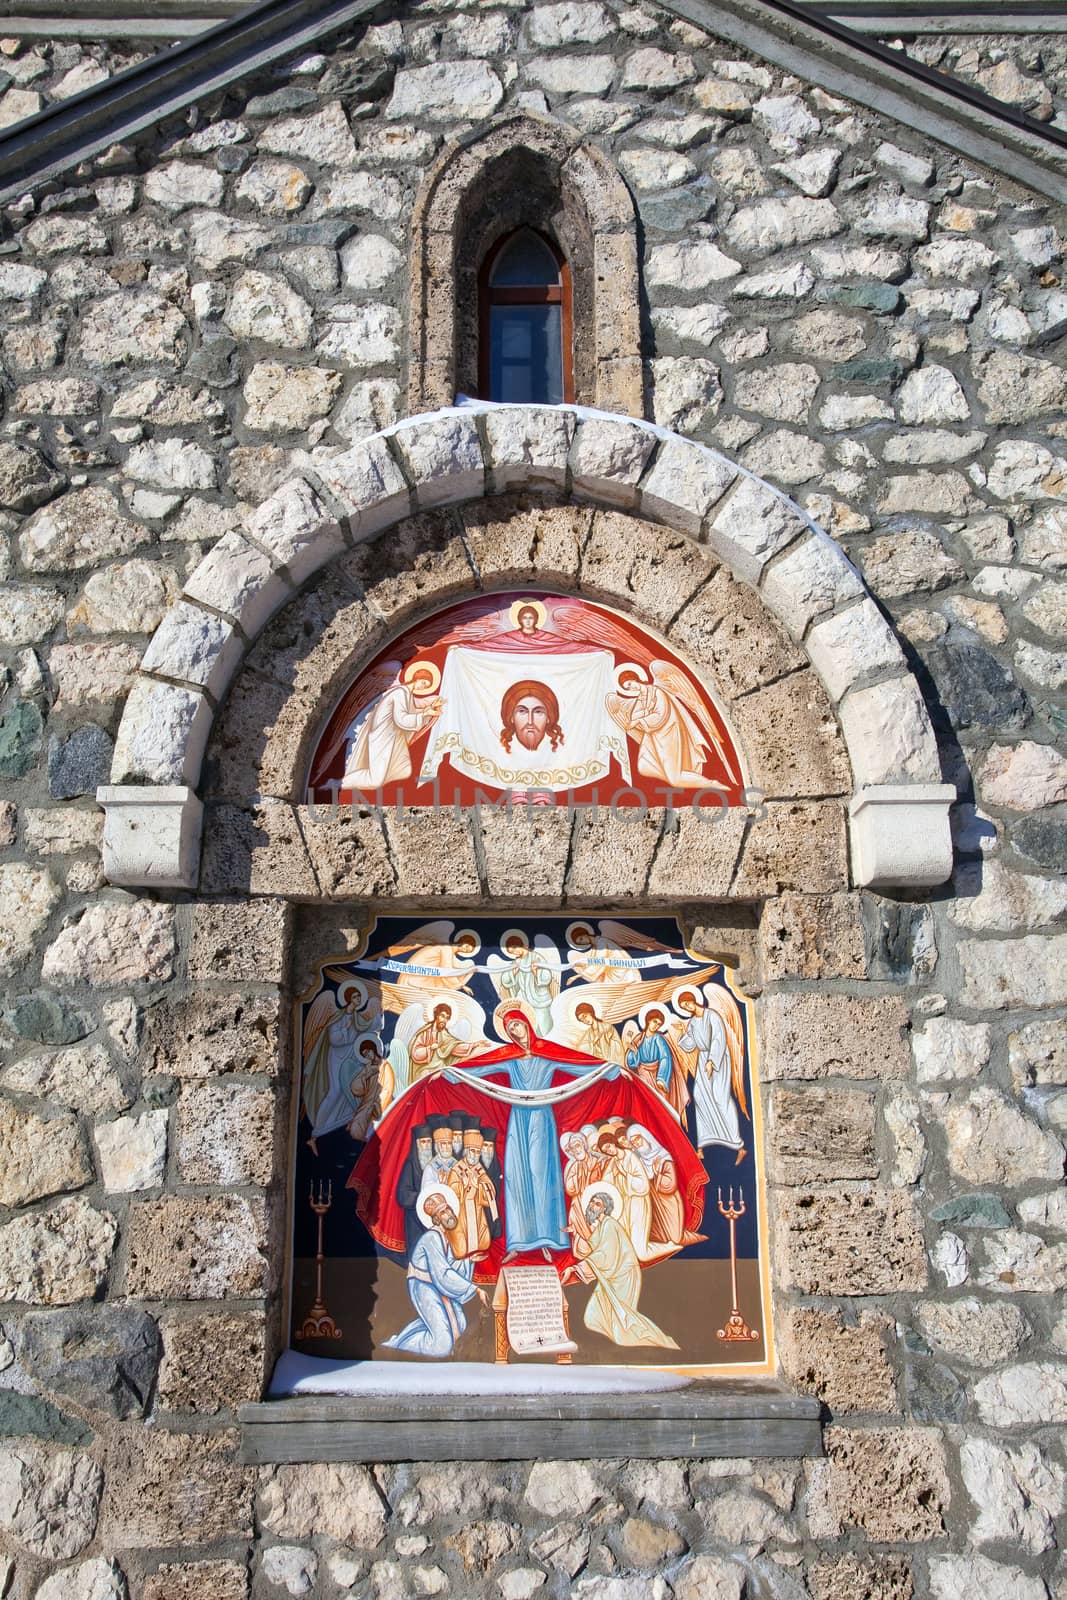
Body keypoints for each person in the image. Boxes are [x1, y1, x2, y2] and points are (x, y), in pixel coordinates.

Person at [444, 1009, 619, 1260]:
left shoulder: (547, 1054)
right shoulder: (510, 1057)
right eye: (510, 1028)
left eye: (517, 1024)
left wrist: (607, 1070)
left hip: (541, 1119)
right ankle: (518, 1242)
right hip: (518, 1119)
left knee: (540, 1175)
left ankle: (547, 1237)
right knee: (516, 1176)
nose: (515, 1030)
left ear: (527, 1024)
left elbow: (577, 1064)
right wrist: (453, 1074)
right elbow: (480, 1069)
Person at [569, 1187, 678, 1350]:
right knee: (595, 1315)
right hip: (614, 1275)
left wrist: (576, 1268)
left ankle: (655, 1339)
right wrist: (576, 1233)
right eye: (592, 1202)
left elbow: (605, 1256)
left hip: (624, 1276)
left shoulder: (610, 1225)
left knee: (623, 1319)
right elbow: (592, 1248)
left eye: (597, 1203)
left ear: (605, 1208)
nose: (592, 1205)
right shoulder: (601, 1227)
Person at [383, 1188, 488, 1357]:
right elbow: (443, 1273)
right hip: (423, 1285)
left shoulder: (444, 1237)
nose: (449, 1214)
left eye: (449, 1209)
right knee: (442, 1346)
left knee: (459, 1324)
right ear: (437, 1219)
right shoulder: (432, 1237)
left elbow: (448, 1265)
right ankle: (399, 1344)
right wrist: (474, 1289)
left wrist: (469, 1261)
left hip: (436, 1285)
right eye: (443, 1212)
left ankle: (400, 1338)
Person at [342, 663, 443, 792]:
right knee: (375, 781)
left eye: (426, 686)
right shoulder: (400, 693)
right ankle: (339, 784)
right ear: (416, 679)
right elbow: (402, 720)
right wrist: (425, 713)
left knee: (403, 771)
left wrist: (429, 710)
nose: (423, 687)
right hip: (383, 736)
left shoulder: (407, 696)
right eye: (423, 683)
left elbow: (415, 709)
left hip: (392, 738)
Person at [676, 988, 748, 1164]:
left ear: (694, 1000)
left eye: (687, 1003)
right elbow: (690, 1044)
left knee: (720, 1097)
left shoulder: (712, 1016)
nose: (687, 1007)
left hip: (718, 1059)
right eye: (684, 1006)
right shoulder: (693, 1022)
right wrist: (681, 1036)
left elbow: (718, 1039)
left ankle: (739, 1146)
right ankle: (701, 1146)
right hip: (703, 1060)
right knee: (700, 1097)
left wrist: (712, 1061)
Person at [628, 1123, 688, 1250]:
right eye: (633, 1142)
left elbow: (670, 1186)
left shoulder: (663, 1157)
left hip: (668, 1203)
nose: (637, 1143)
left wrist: (657, 1175)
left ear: (645, 1136)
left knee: (674, 1238)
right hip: (653, 1208)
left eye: (637, 1138)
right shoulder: (641, 1162)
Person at [596, 1127, 653, 1262]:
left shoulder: (630, 1156)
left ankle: (671, 1246)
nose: (609, 1151)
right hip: (625, 1205)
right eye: (605, 1150)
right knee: (624, 1248)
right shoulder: (613, 1162)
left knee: (641, 1254)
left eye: (608, 1146)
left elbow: (643, 1185)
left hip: (638, 1203)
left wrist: (625, 1175)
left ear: (613, 1142)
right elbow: (606, 1183)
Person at [625, 1007, 687, 1123]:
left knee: (662, 1104)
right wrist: (633, 1051)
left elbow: (665, 1058)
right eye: (654, 1022)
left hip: (658, 1073)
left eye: (659, 1024)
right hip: (643, 1074)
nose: (656, 1026)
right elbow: (632, 1063)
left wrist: (661, 1078)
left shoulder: (659, 1039)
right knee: (647, 1102)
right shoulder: (639, 1038)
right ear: (648, 1020)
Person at [446, 1129, 498, 1259]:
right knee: (461, 1251)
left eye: (478, 1152)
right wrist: (464, 1186)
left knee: (484, 1243)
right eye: (473, 1151)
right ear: (466, 1151)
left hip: (477, 1214)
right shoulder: (456, 1169)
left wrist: (478, 1186)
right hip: (461, 1216)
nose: (475, 1155)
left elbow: (490, 1191)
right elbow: (451, 1194)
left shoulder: (479, 1169)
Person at [496, 936, 557, 1037]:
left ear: (520, 945)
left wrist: (536, 971)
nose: (514, 954)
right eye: (512, 953)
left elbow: (547, 977)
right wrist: (513, 973)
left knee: (543, 1027)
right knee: (526, 1024)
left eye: (514, 950)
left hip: (539, 998)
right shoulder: (516, 962)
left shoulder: (536, 958)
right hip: (523, 997)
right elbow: (505, 980)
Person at [409, 1003, 476, 1081]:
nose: (444, 1020)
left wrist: (473, 1045)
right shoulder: (425, 1033)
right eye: (442, 1016)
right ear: (436, 1015)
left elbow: (453, 1046)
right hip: (424, 1069)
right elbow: (415, 1053)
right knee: (426, 1077)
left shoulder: (444, 1034)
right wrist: (430, 1048)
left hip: (440, 1068)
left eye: (447, 1018)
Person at [395, 1124, 434, 1256]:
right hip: (415, 1221)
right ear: (417, 1144)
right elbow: (403, 1195)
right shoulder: (410, 1165)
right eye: (423, 1142)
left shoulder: (436, 1164)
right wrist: (423, 1197)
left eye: (429, 1142)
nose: (427, 1146)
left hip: (433, 1220)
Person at [499, 679, 564, 756]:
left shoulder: (559, 752)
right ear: (511, 717)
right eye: (522, 711)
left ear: (549, 718)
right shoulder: (500, 752)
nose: (530, 722)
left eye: (538, 712)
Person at [479, 1127, 504, 1239]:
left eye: (490, 1146)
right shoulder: (476, 1164)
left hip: (493, 1202)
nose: (488, 1149)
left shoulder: (495, 1162)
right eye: (485, 1146)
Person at [420, 1125, 456, 1194]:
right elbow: (425, 1192)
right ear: (437, 1146)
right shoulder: (430, 1167)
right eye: (444, 1143)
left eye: (449, 1143)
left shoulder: (457, 1165)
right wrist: (439, 1182)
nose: (447, 1147)